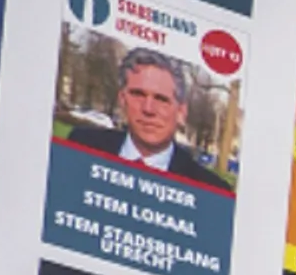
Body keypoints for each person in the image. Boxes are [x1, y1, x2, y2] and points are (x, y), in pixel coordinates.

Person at [62, 50, 234, 190]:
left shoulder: (209, 190)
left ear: (181, 112)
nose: (148, 109)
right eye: (138, 94)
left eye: (161, 99)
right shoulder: (82, 146)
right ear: (122, 99)